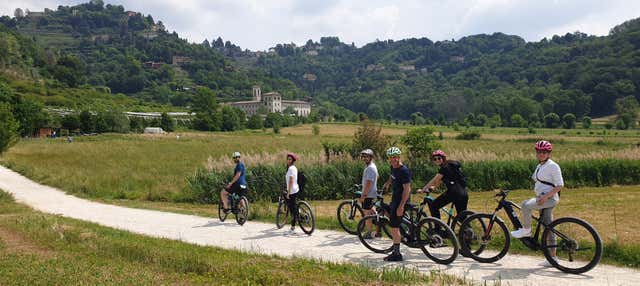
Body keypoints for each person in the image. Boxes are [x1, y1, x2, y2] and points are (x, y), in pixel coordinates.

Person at [510, 140, 563, 266]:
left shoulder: (553, 166)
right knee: (548, 227)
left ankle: (526, 230)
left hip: (548, 199)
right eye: (539, 152)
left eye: (544, 152)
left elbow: (560, 185)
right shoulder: (540, 166)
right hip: (542, 198)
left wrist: (545, 197)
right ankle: (553, 258)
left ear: (549, 153)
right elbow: (537, 181)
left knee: (525, 205)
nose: (541, 154)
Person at [418, 150, 469, 227]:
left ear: (443, 158)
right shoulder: (451, 166)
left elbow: (435, 179)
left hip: (454, 193)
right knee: (462, 217)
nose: (437, 160)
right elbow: (440, 180)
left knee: (434, 205)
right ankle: (469, 233)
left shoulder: (444, 168)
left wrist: (423, 189)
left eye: (439, 158)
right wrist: (434, 187)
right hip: (463, 193)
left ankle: (438, 229)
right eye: (435, 159)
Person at [381, 147, 411, 261]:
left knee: (394, 227)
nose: (393, 159)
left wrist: (401, 206)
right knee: (390, 215)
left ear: (399, 157)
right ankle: (401, 232)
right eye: (391, 157)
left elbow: (407, 189)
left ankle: (397, 254)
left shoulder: (404, 171)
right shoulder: (393, 167)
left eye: (395, 157)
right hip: (395, 199)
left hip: (401, 201)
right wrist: (387, 183)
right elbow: (392, 176)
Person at [359, 149, 379, 239]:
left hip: (368, 194)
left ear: (371, 157)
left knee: (367, 214)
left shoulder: (370, 168)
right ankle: (379, 231)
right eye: (363, 156)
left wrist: (363, 195)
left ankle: (369, 232)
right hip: (372, 192)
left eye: (366, 156)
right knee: (373, 212)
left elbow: (369, 183)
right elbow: (377, 176)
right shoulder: (372, 166)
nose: (364, 158)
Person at [284, 152, 300, 234]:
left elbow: (291, 180)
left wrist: (288, 193)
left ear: (293, 160)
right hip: (296, 189)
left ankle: (293, 228)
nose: (288, 160)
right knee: (294, 207)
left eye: (290, 159)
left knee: (292, 210)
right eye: (287, 159)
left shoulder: (290, 169)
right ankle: (298, 211)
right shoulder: (294, 168)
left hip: (292, 191)